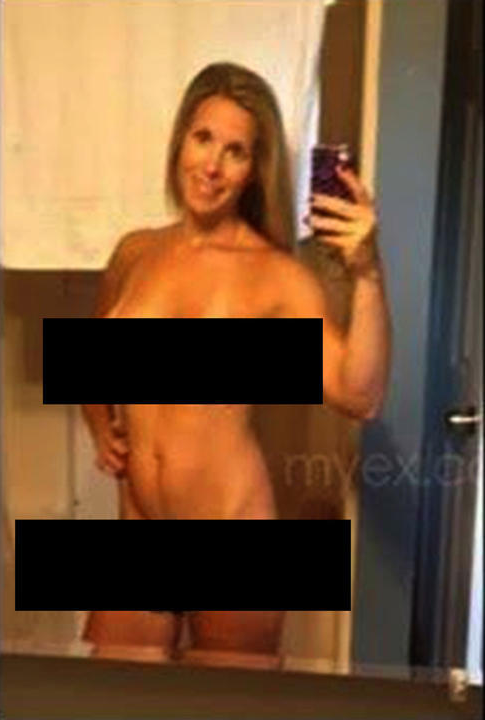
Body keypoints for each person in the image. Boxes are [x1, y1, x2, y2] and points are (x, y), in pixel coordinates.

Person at [81, 63, 391, 662]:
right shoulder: (135, 253)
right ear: (180, 141)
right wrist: (99, 423)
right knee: (109, 699)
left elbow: (361, 396)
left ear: (254, 170)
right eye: (203, 139)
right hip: (139, 524)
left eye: (236, 151)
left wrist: (368, 273)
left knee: (226, 704)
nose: (212, 166)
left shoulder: (277, 276)